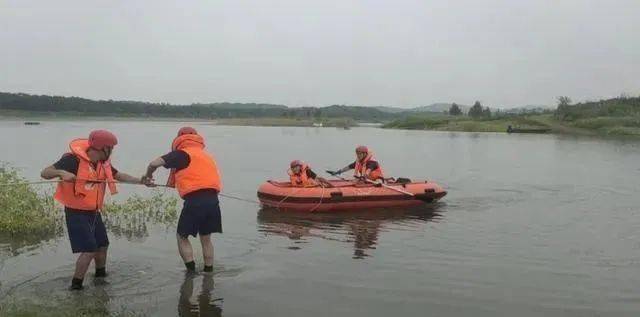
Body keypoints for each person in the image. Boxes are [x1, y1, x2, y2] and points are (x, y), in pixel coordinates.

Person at [40, 130, 144, 290]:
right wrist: (61, 173)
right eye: (111, 148)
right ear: (103, 148)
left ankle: (100, 278)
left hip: (93, 212)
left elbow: (119, 175)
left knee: (102, 245)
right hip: (76, 212)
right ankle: (76, 287)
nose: (112, 151)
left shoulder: (103, 163)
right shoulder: (72, 160)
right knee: (89, 249)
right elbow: (45, 173)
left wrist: (141, 181)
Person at [143, 127, 222, 274]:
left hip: (195, 201)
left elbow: (154, 163)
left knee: (182, 236)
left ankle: (191, 272)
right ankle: (209, 272)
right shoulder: (206, 155)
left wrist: (147, 176)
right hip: (213, 200)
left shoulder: (181, 153)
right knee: (206, 238)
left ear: (179, 139)